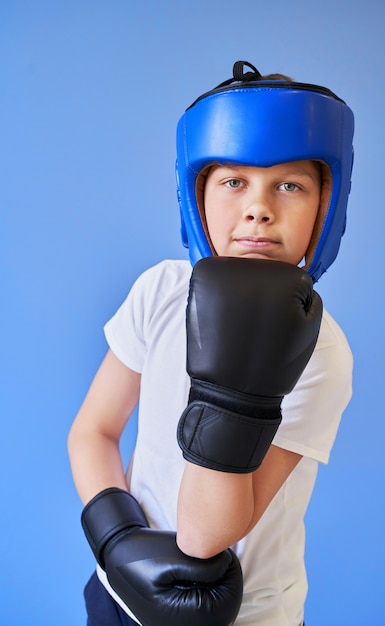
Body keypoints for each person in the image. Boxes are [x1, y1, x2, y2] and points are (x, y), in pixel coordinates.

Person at [68, 60, 355, 626]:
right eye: (233, 181)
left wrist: (237, 376)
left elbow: (204, 536)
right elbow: (92, 432)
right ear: (195, 194)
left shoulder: (322, 352)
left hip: (249, 616)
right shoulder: (161, 289)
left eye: (290, 185)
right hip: (120, 591)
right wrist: (116, 540)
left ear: (329, 203)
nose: (259, 207)